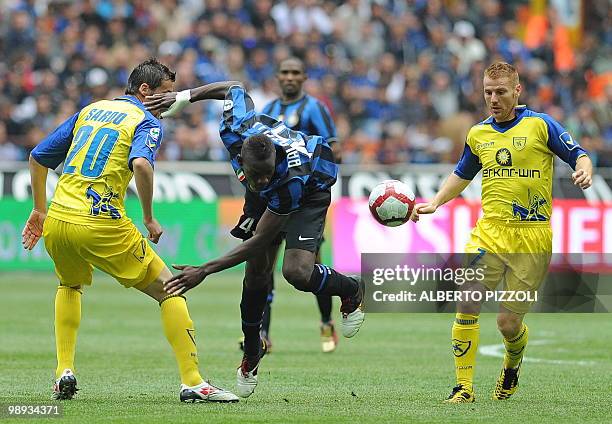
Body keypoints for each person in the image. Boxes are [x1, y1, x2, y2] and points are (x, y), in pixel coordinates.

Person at [21, 58, 238, 403]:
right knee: (171, 290)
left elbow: (38, 156)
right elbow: (140, 164)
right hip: (100, 222)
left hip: (59, 219)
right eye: (166, 94)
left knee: (69, 285)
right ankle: (193, 381)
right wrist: (149, 217)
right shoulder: (146, 119)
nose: (171, 102)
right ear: (145, 90)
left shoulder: (92, 110)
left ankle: (64, 370)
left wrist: (39, 209)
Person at [144, 82, 365, 398]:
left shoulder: (289, 178)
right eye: (255, 175)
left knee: (297, 273)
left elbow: (261, 240)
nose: (260, 179)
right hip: (267, 196)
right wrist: (182, 97)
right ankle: (251, 351)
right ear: (242, 159)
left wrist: (204, 269)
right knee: (256, 277)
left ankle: (352, 288)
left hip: (311, 186)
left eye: (265, 174)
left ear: (274, 159)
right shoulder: (236, 128)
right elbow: (233, 87)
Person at [411, 62, 593, 403]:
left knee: (508, 324)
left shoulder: (541, 125)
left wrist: (584, 170)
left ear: (517, 90)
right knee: (467, 300)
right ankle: (463, 388)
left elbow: (578, 155)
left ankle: (512, 364)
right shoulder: (478, 133)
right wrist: (436, 202)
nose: (493, 99)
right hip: (489, 232)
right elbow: (461, 173)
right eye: (488, 93)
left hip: (532, 238)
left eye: (500, 92)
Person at [238, 57, 340, 353]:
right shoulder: (268, 110)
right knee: (263, 267)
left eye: (296, 72)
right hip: (274, 200)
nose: (290, 77)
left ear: (305, 76)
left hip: (303, 200)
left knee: (309, 266)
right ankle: (264, 336)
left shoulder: (314, 108)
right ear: (277, 76)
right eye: (285, 72)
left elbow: (333, 147)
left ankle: (325, 322)